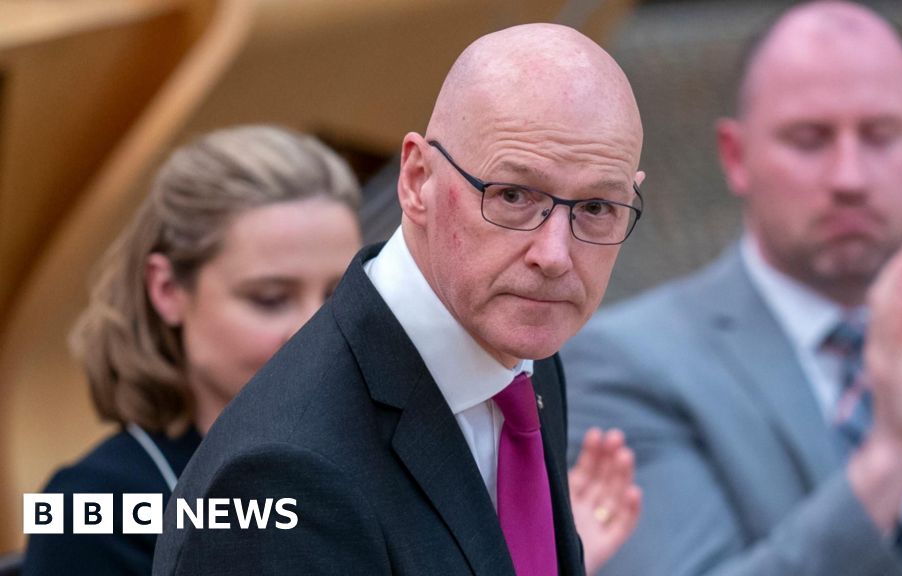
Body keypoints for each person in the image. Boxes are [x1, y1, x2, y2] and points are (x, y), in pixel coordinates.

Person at [152, 23, 646, 576]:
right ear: (416, 179)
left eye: (598, 208)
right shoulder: (284, 474)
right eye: (512, 195)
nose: (554, 256)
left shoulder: (527, 355)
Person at [562, 1, 902, 575]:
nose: (849, 177)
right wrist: (888, 460)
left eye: (880, 136)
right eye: (810, 139)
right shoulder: (623, 367)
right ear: (736, 156)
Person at [22, 125, 364, 575]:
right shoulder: (89, 508)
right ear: (167, 289)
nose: (315, 330)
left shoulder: (392, 460)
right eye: (269, 298)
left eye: (339, 296)